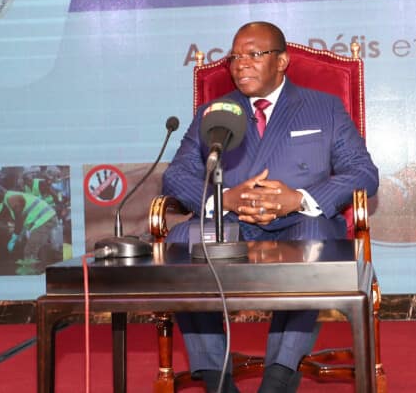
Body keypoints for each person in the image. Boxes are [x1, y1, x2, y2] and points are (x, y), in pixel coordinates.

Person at [162, 21, 379, 392]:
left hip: (298, 222)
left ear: (282, 62)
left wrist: (299, 199)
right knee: (183, 240)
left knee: (315, 241)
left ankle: (279, 375)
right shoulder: (216, 112)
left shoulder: (324, 107)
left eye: (254, 54)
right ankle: (216, 378)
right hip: (231, 223)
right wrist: (223, 199)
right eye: (234, 57)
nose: (241, 64)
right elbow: (177, 175)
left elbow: (363, 172)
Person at [0, 185, 61, 274]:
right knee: (39, 246)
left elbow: (19, 219)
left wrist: (14, 237)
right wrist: (19, 234)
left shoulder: (11, 198)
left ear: (0, 194)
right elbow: (22, 216)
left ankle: (30, 273)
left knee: (29, 250)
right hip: (46, 218)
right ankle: (41, 270)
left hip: (44, 219)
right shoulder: (9, 197)